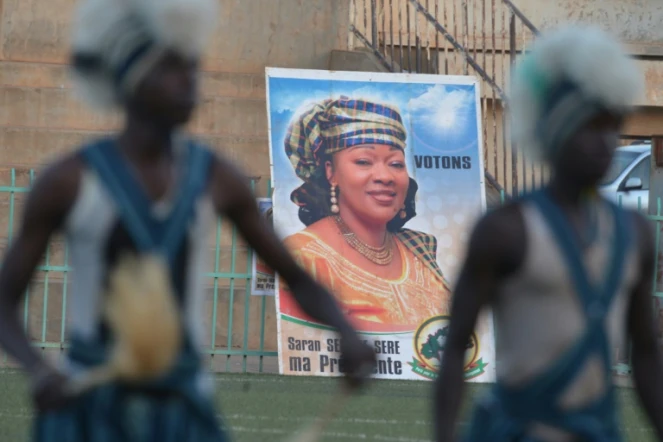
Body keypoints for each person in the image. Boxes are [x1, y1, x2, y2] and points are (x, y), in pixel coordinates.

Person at [0, 0, 375, 440]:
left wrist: (346, 331)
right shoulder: (70, 181)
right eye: (172, 68)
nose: (190, 81)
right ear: (131, 77)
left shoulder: (216, 178)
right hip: (89, 409)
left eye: (192, 67)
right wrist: (39, 370)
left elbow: (296, 276)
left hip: (184, 410)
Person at [433, 25, 663, 442]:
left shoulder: (635, 233)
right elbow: (454, 347)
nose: (605, 141)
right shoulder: (505, 230)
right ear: (554, 129)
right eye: (589, 125)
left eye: (611, 125)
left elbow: (644, 352)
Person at [280, 97, 452, 330]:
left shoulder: (420, 248)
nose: (385, 176)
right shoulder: (302, 255)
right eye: (363, 161)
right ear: (331, 172)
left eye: (396, 164)